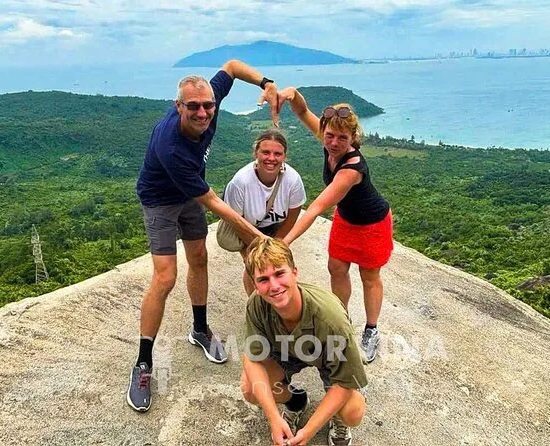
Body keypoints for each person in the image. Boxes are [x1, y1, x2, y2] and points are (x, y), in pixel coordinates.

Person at [127, 60, 280, 413]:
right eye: (192, 106)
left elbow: (232, 66)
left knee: (199, 258)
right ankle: (143, 363)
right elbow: (212, 201)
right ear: (178, 106)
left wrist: (266, 83)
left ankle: (199, 329)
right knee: (165, 277)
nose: (202, 112)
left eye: (208, 105)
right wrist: (259, 237)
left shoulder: (209, 97)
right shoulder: (172, 146)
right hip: (160, 200)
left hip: (190, 194)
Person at [278, 88, 393, 364]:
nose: (334, 142)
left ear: (353, 138)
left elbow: (316, 207)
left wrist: (285, 241)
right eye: (329, 135)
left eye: (342, 138)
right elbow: (302, 111)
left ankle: (371, 330)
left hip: (372, 223)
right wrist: (292, 94)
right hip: (346, 218)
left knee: (369, 276)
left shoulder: (352, 168)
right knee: (336, 268)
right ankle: (342, 321)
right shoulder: (328, 141)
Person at [241, 238, 367, 446]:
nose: (274, 286)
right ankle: (296, 401)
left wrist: (308, 431)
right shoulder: (256, 303)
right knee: (250, 388)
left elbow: (345, 382)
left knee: (352, 413)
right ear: (255, 285)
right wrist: (273, 418)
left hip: (328, 357)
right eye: (263, 279)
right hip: (285, 350)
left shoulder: (331, 318)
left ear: (295, 272)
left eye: (279, 274)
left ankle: (336, 417)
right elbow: (252, 358)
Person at [222, 128, 306, 295]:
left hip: (276, 226)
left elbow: (292, 217)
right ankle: (255, 301)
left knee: (279, 264)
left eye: (277, 154)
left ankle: (278, 299)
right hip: (246, 227)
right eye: (265, 152)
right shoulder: (240, 182)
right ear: (256, 153)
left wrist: (277, 246)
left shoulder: (292, 180)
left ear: (284, 156)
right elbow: (238, 223)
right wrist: (258, 250)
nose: (271, 158)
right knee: (255, 265)